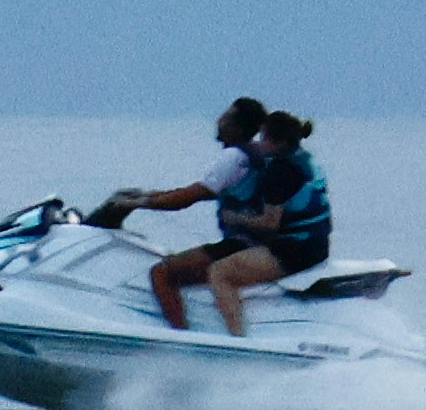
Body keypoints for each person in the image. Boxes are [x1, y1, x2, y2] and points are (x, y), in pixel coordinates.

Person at [87, 100, 334, 335]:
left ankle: (183, 342)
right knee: (183, 262)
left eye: (226, 116)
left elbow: (188, 197)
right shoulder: (271, 159)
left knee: (164, 273)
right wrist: (145, 196)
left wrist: (140, 202)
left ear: (238, 127)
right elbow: (199, 192)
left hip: (265, 245)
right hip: (287, 243)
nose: (218, 120)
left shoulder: (238, 159)